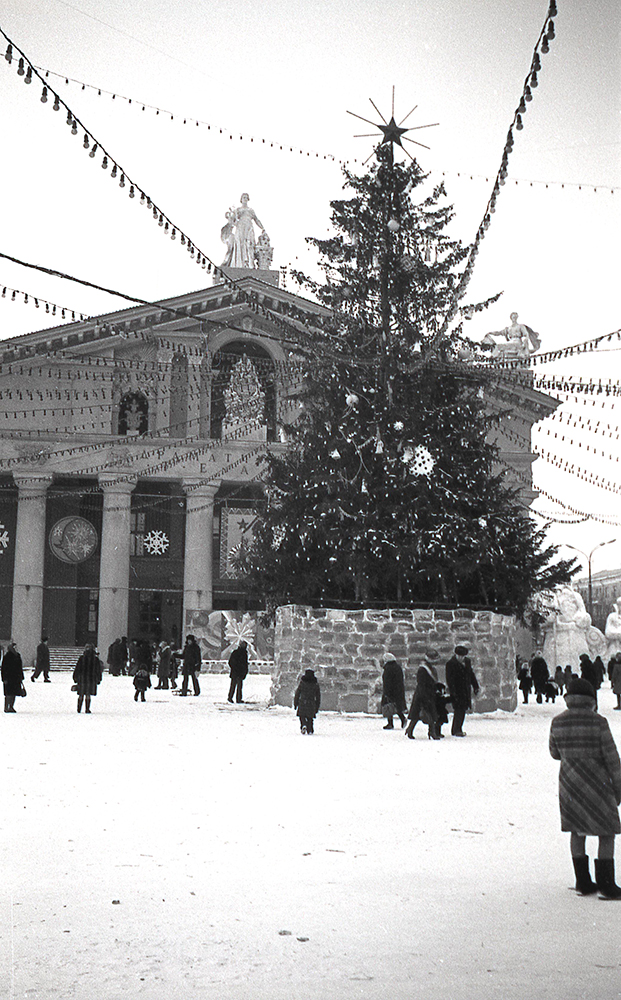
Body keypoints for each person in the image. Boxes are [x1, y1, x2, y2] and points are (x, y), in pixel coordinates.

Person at [549, 678, 621, 898]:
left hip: (570, 784)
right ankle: (607, 885)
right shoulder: (599, 722)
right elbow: (612, 759)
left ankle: (583, 882)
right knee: (607, 832)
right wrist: (618, 788)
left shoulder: (557, 721)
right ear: (591, 699)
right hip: (597, 785)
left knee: (576, 830)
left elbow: (554, 753)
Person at [445, 645, 479, 737]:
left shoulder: (467, 662)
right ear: (456, 655)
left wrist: (475, 686)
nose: (461, 658)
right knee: (458, 710)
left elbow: (471, 674)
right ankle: (456, 730)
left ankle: (458, 728)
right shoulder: (450, 664)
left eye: (462, 656)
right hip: (457, 690)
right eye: (459, 656)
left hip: (465, 690)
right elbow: (449, 680)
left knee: (463, 710)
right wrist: (453, 692)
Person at [405, 661, 440, 740]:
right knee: (422, 713)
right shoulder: (423, 670)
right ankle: (411, 730)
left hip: (429, 693)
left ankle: (430, 731)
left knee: (427, 713)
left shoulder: (430, 669)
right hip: (423, 693)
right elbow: (421, 683)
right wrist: (424, 694)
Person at [73, 644, 102, 714]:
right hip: (91, 679)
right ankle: (87, 709)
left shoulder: (82, 658)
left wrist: (75, 677)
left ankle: (79, 708)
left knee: (81, 694)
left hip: (82, 678)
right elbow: (98, 670)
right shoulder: (95, 659)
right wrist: (99, 679)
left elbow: (77, 668)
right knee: (88, 694)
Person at [380, 657, 407, 729]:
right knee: (396, 706)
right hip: (398, 690)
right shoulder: (398, 667)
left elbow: (387, 681)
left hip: (390, 690)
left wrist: (386, 692)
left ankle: (390, 723)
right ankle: (402, 719)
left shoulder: (388, 669)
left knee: (388, 706)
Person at [294, 668, 321, 734]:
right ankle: (310, 730)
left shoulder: (302, 683)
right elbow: (318, 696)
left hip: (302, 702)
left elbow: (297, 693)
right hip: (311, 703)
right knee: (310, 718)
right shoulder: (315, 684)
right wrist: (317, 707)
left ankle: (303, 725)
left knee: (302, 716)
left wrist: (295, 703)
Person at [2, 640, 24, 713]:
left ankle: (11, 706)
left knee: (14, 693)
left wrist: (21, 676)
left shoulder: (18, 656)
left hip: (16, 677)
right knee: (9, 693)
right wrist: (4, 678)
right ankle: (6, 707)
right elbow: (4, 668)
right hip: (9, 677)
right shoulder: (7, 656)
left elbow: (20, 667)